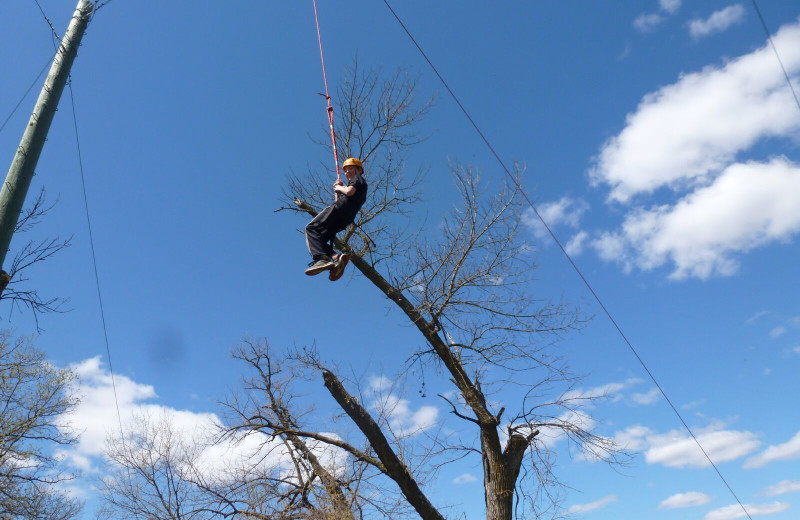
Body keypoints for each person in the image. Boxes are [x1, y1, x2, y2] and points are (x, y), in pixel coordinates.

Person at [304, 157, 368, 280]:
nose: (347, 172)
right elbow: (339, 200)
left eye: (351, 169)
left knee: (311, 228)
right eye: (346, 170)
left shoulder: (358, 179)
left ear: (359, 170)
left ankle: (322, 259)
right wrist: (337, 191)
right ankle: (335, 257)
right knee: (319, 239)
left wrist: (340, 188)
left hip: (339, 210)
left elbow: (348, 192)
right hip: (345, 218)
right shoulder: (358, 186)